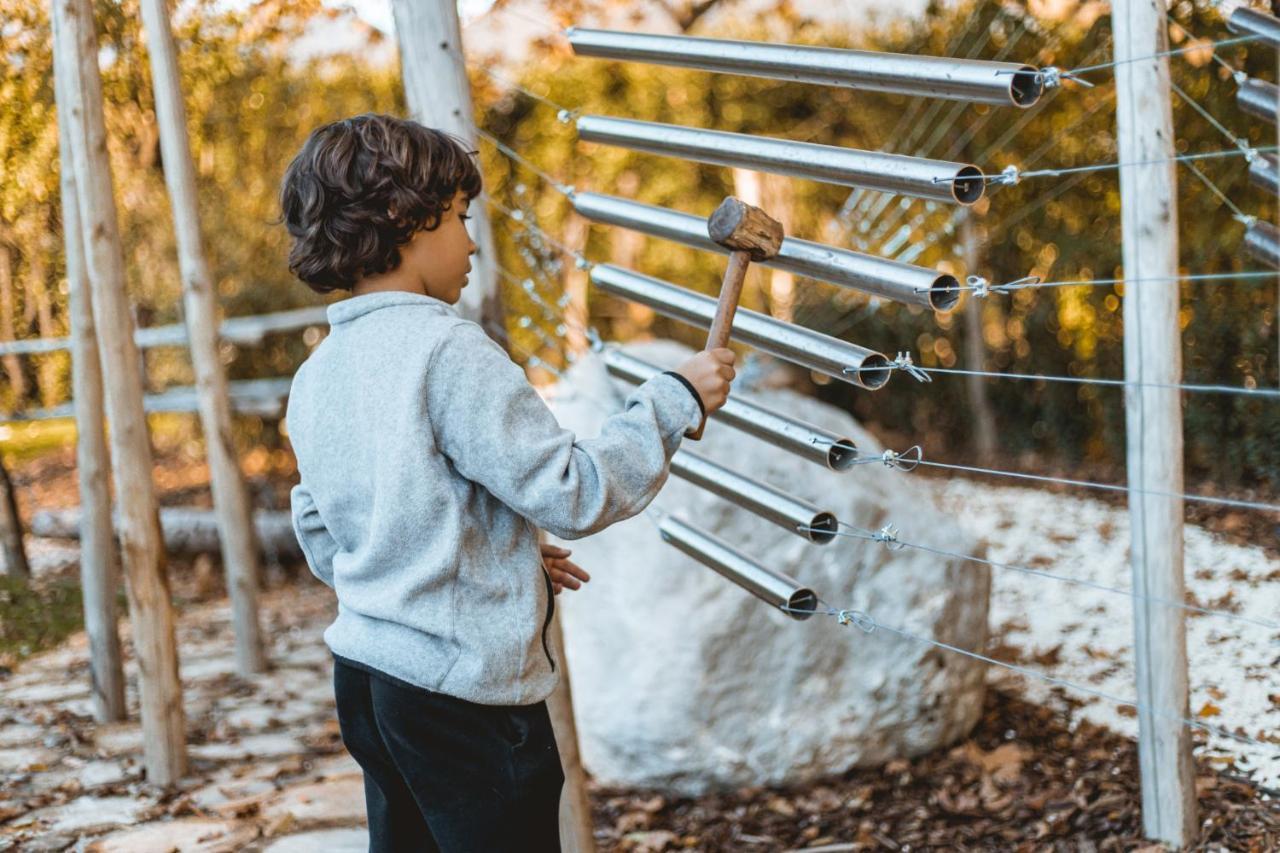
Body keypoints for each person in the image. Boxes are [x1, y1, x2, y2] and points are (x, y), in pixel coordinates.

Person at [279, 113, 736, 852]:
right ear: (404, 218)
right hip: (464, 700)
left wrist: (488, 564)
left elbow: (326, 526)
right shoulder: (448, 350)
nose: (470, 241)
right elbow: (571, 489)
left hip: (368, 680)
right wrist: (673, 400)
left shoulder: (318, 373)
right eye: (460, 218)